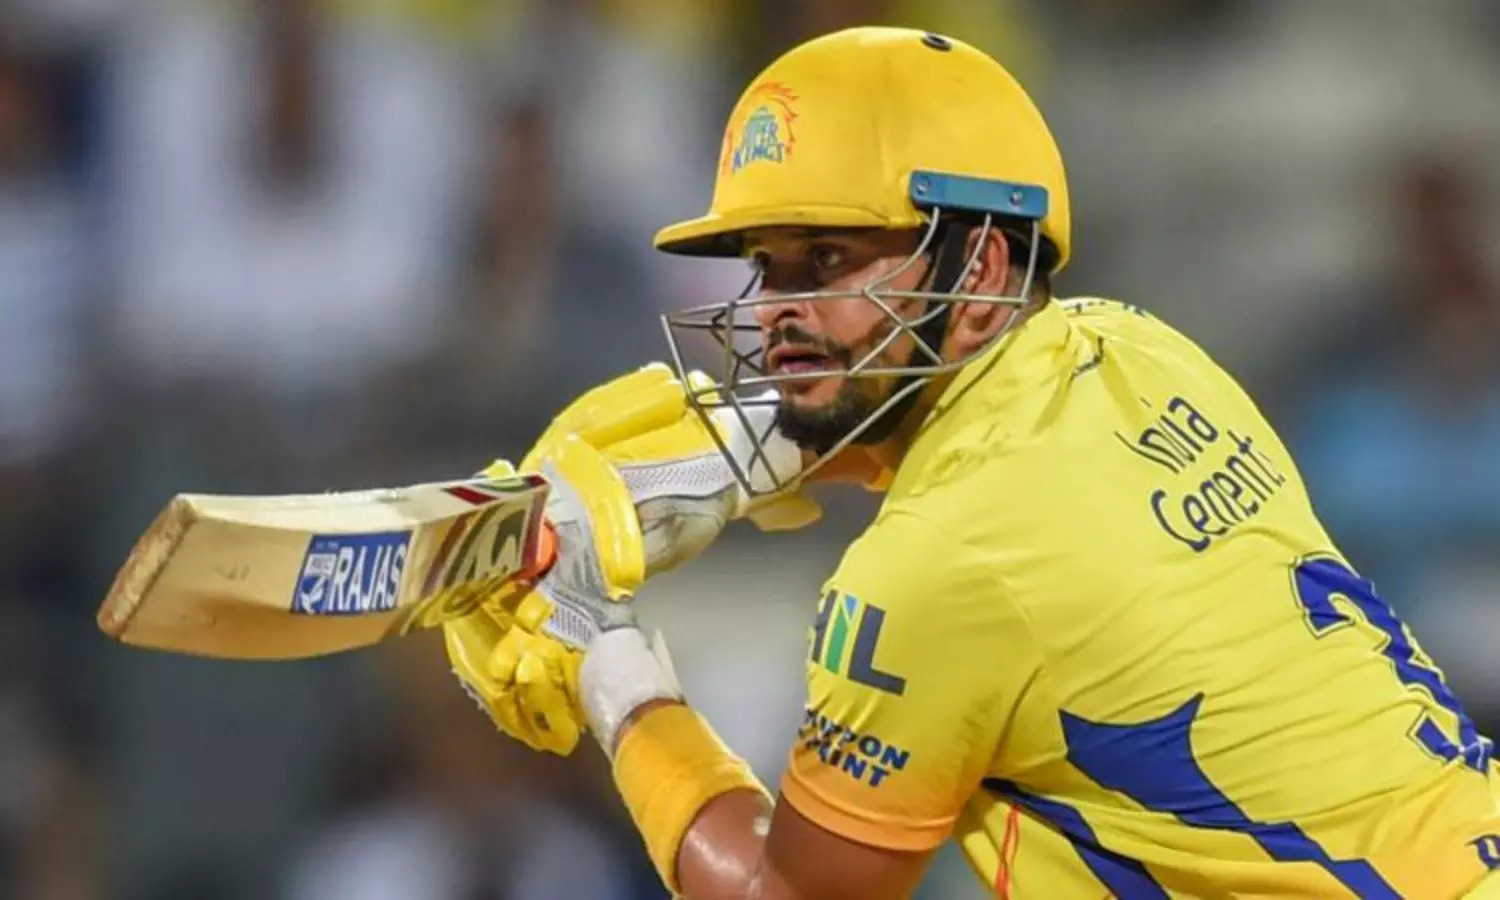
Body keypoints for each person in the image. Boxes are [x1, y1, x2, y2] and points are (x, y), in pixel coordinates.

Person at [444, 27, 1500, 899]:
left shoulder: (933, 570)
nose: (774, 313)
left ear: (983, 264)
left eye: (828, 259)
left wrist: (610, 670)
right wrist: (711, 467)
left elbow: (783, 894)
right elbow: (949, 435)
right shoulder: (1139, 349)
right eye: (768, 265)